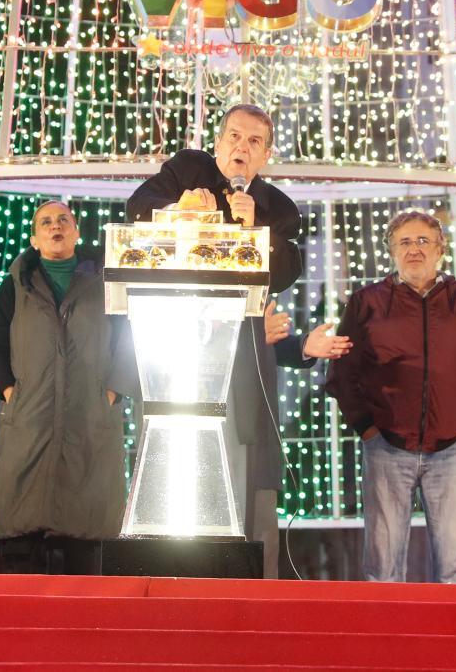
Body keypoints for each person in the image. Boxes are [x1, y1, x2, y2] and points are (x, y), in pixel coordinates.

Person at [126, 104, 302, 577]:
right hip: (175, 337)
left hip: (240, 351)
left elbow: (285, 272)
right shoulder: (187, 169)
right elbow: (136, 209)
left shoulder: (278, 208)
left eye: (253, 142)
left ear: (266, 155)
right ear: (218, 141)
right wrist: (178, 210)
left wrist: (254, 232)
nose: (240, 149)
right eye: (233, 137)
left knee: (242, 451)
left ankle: (240, 570)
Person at [326, 210, 456, 583]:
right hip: (386, 445)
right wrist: (366, 427)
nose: (414, 249)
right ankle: (385, 638)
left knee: (455, 566)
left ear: (440, 248)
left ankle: (452, 638)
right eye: (404, 242)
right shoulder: (367, 302)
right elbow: (343, 372)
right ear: (391, 250)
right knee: (383, 567)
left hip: (454, 447)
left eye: (423, 240)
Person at [0, 200, 132, 574]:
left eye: (63, 220)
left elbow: (129, 340)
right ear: (34, 238)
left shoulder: (106, 280)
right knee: (23, 529)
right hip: (30, 415)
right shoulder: (15, 286)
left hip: (90, 414)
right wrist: (9, 391)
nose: (55, 227)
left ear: (77, 231)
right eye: (46, 222)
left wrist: (111, 391)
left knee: (85, 534)